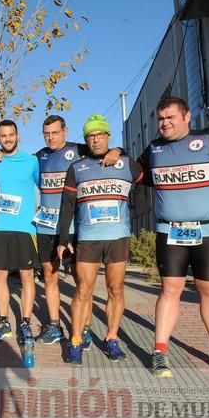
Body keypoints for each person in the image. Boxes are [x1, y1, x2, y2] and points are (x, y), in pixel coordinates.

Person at [138, 96, 209, 378]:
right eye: (161, 118)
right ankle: (159, 351)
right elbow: (133, 173)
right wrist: (113, 154)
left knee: (208, 289)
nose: (165, 123)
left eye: (171, 117)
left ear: (186, 117)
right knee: (169, 289)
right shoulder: (154, 150)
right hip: (170, 230)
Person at [57, 115, 144, 365]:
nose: (95, 139)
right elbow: (68, 204)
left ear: (108, 136)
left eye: (100, 135)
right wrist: (64, 237)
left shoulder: (125, 163)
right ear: (86, 140)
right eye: (90, 136)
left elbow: (148, 171)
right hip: (88, 239)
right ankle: (75, 340)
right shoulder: (77, 168)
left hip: (117, 238)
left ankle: (112, 337)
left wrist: (121, 151)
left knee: (115, 289)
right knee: (83, 290)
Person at [36, 115, 121, 347]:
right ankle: (54, 325)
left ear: (65, 131)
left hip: (75, 228)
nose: (51, 137)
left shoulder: (79, 149)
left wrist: (118, 150)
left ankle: (83, 326)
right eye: (46, 133)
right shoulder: (40, 156)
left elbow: (104, 148)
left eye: (55, 132)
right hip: (46, 226)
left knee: (82, 281)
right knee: (49, 276)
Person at [0, 119, 40, 345]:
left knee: (27, 276)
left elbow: (43, 188)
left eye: (11, 135)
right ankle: (3, 321)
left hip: (26, 228)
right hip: (1, 228)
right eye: (3, 136)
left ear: (18, 136)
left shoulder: (32, 161)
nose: (7, 139)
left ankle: (26, 323)